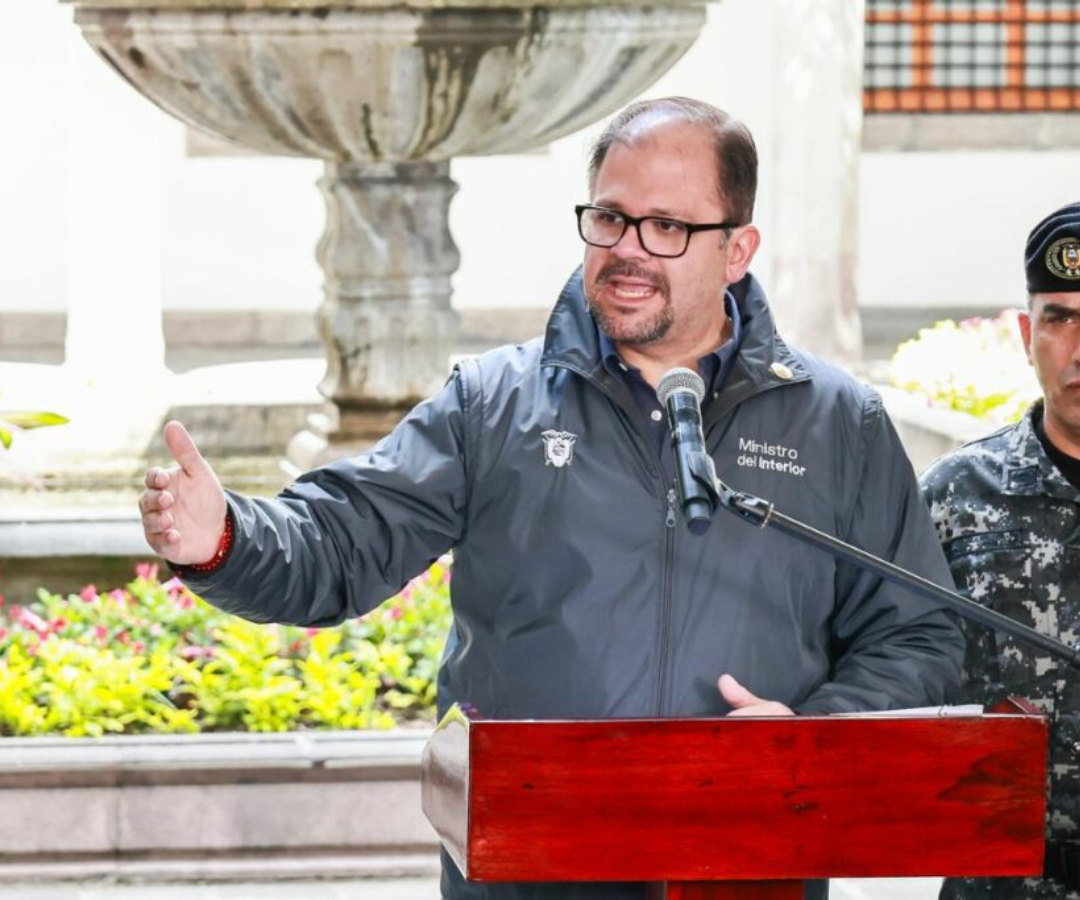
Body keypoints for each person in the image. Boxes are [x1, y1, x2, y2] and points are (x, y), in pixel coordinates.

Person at [140, 97, 963, 900]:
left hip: (749, 860)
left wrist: (814, 738)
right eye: (609, 217)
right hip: (528, 862)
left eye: (666, 226)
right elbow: (342, 541)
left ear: (736, 249)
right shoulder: (494, 402)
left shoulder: (836, 421)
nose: (627, 249)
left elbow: (917, 634)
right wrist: (226, 538)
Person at [921, 201, 1080, 900]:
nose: (1079, 349)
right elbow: (895, 660)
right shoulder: (954, 496)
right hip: (997, 884)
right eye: (1059, 319)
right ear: (1026, 333)